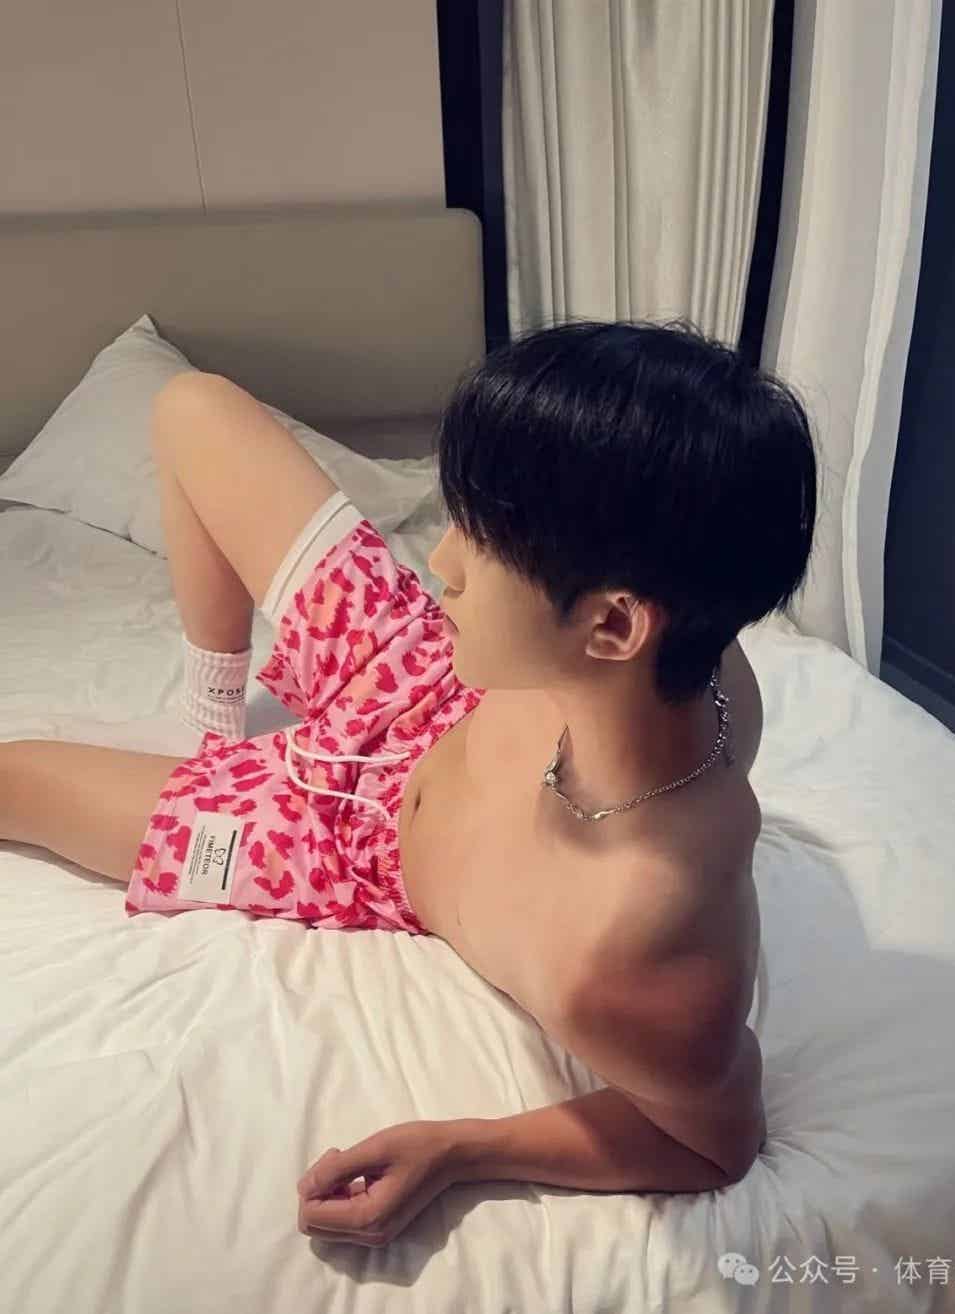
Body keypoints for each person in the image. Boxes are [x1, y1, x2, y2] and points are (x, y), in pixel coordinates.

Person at [0, 317, 817, 1248]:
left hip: (342, 839)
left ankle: (225, 774)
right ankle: (210, 723)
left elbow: (715, 1144)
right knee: (190, 408)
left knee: (12, 777)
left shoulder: (629, 960)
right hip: (425, 674)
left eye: (482, 540)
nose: (441, 558)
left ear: (613, 627)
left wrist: (462, 1149)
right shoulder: (694, 657)